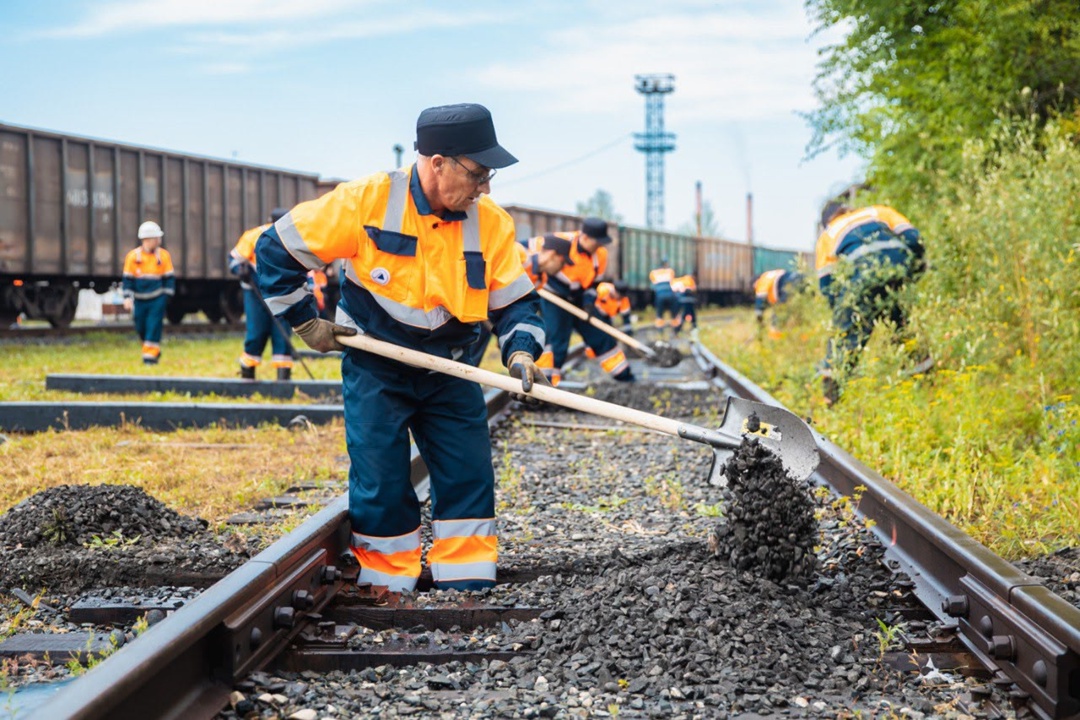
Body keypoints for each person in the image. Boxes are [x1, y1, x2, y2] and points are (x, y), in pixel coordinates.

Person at [255, 103, 547, 592]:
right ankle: (387, 585)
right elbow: (275, 250)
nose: (486, 187)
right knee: (381, 477)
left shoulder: (491, 223)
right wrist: (307, 324)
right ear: (438, 163)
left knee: (467, 473)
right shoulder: (365, 201)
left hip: (453, 370)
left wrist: (520, 352)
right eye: (478, 173)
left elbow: (517, 304)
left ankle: (466, 582)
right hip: (376, 365)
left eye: (489, 175)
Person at [816, 200, 927, 402]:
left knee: (844, 338)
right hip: (898, 266)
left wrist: (842, 312)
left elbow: (827, 284)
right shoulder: (878, 211)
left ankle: (832, 400)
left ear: (827, 221)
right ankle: (926, 383)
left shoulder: (829, 233)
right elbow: (913, 238)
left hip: (863, 274)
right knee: (902, 326)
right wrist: (915, 270)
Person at [534, 218, 633, 385]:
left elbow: (594, 283)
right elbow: (535, 261)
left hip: (580, 298)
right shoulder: (560, 242)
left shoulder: (600, 255)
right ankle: (546, 384)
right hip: (554, 297)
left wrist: (588, 301)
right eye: (597, 242)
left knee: (599, 333)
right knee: (556, 340)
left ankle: (624, 375)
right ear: (585, 238)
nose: (599, 247)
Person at [229, 208, 294, 380]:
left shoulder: (292, 237)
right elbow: (234, 259)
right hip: (255, 292)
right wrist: (239, 270)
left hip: (281, 291)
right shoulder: (253, 236)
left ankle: (283, 375)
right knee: (256, 331)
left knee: (282, 332)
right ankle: (247, 371)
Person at [122, 221, 175, 364]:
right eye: (157, 238)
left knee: (153, 325)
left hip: (157, 298)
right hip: (139, 299)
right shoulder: (133, 257)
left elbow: (169, 279)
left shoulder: (163, 256)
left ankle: (149, 358)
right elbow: (128, 280)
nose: (159, 241)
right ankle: (152, 350)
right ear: (148, 239)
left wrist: (166, 298)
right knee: (140, 326)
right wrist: (127, 297)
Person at [753, 268, 802, 339]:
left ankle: (776, 341)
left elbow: (759, 311)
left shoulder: (761, 282)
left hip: (789, 285)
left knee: (777, 317)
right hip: (801, 278)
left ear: (756, 283)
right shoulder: (770, 275)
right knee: (801, 314)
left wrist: (760, 328)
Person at [649, 259, 679, 334]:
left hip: (660, 296)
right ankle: (676, 330)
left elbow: (653, 286)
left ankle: (660, 331)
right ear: (666, 264)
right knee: (674, 313)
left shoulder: (654, 273)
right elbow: (673, 282)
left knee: (659, 313)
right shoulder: (670, 271)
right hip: (670, 295)